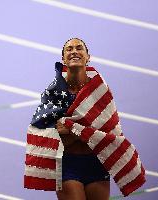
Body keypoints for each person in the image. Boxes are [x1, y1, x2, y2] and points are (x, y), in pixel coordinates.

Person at [55, 38, 110, 200]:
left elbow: (107, 129)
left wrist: (72, 129)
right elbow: (57, 137)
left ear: (88, 57)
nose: (74, 51)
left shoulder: (100, 89)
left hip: (97, 163)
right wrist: (88, 130)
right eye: (69, 49)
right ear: (63, 59)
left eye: (79, 48)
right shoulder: (55, 94)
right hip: (68, 165)